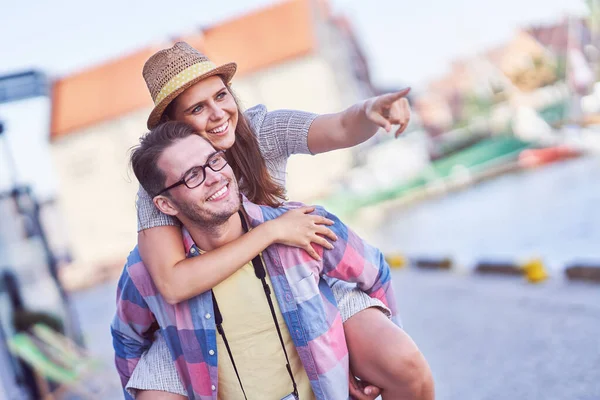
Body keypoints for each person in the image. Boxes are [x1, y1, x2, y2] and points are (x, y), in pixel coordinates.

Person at [133, 42, 433, 399]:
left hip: (298, 279)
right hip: (204, 309)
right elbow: (173, 283)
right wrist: (273, 231)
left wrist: (370, 110)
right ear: (174, 126)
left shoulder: (260, 131)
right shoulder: (164, 182)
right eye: (198, 108)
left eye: (221, 95)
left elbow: (338, 127)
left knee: (404, 365)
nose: (218, 114)